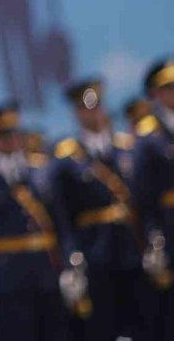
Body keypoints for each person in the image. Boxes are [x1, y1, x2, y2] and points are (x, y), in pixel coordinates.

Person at [49, 78, 152, 341]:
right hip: (95, 251)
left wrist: (151, 238)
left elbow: (143, 201)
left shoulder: (126, 148)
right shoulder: (67, 160)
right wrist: (72, 255)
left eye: (96, 106)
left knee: (143, 321)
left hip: (131, 247)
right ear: (77, 113)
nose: (93, 113)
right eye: (85, 109)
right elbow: (63, 215)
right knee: (104, 325)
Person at [0, 101, 69, 341]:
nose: (11, 140)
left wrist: (68, 264)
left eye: (15, 133)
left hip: (46, 272)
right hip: (9, 279)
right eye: (3, 135)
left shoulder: (39, 172)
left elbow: (60, 221)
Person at [133, 58, 174, 340]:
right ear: (156, 94)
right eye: (169, 88)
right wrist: (153, 237)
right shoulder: (148, 137)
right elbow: (143, 196)